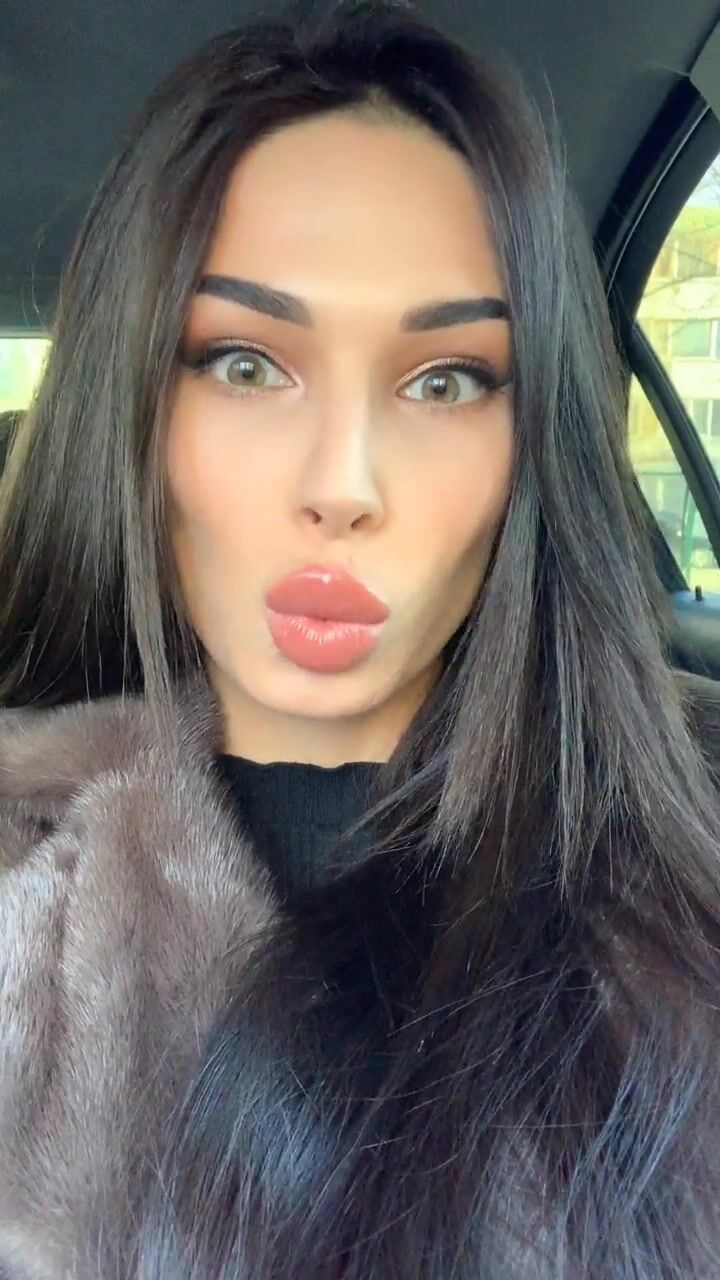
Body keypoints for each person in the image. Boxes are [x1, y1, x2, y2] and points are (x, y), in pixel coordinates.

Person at [1, 0, 720, 1275]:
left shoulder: (685, 861)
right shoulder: (27, 868)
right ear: (133, 403)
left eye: (446, 380)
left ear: (535, 444)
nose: (344, 484)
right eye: (243, 362)